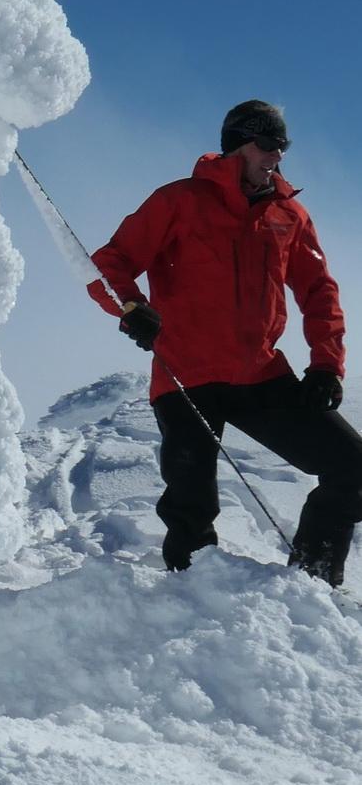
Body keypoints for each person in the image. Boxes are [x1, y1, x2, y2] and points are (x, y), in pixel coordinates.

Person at [89, 99, 362, 584]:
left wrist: (326, 364)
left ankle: (312, 585)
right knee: (192, 505)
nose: (277, 155)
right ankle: (194, 596)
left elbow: (320, 292)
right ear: (239, 145)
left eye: (283, 146)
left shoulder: (289, 214)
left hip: (260, 376)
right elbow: (111, 262)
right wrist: (131, 308)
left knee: (354, 469)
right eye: (268, 144)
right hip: (185, 375)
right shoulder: (180, 200)